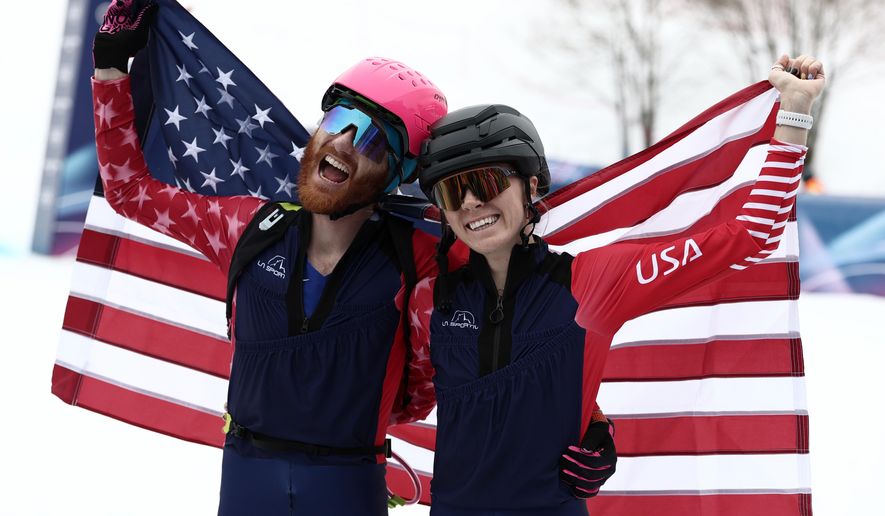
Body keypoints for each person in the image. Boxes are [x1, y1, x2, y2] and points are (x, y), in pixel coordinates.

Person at [402, 54, 825, 515]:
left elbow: (751, 232)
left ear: (531, 186)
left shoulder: (594, 283)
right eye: (450, 191)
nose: (469, 202)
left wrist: (795, 112)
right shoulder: (430, 299)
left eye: (484, 181)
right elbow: (406, 400)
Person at [91, 1, 455, 514]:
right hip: (246, 477)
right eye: (340, 117)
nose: (344, 142)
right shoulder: (248, 226)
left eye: (372, 138)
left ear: (399, 174)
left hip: (349, 482)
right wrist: (110, 63)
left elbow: (501, 340)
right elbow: (129, 191)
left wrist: (590, 423)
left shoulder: (422, 262)